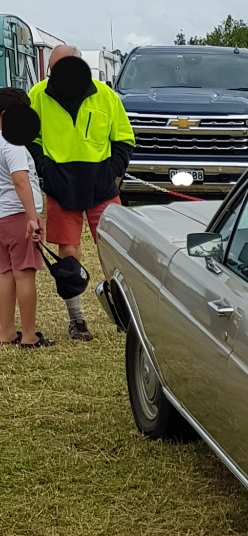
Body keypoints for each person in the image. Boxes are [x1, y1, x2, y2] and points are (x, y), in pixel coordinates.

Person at [28, 45, 134, 341]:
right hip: (60, 186)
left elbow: (124, 138)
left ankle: (124, 318)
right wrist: (45, 169)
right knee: (69, 254)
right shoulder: (38, 96)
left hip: (101, 186)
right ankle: (77, 321)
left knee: (111, 251)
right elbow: (30, 137)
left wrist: (112, 171)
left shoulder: (106, 96)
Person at [0, 89, 48, 348]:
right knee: (25, 275)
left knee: (4, 274)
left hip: (0, 218)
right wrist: (33, 217)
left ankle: (6, 331)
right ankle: (29, 335)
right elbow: (20, 180)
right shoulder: (12, 143)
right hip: (17, 216)